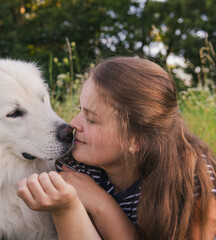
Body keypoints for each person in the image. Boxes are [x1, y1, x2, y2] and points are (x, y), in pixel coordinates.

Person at [17, 56, 216, 240]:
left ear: (136, 141)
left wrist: (101, 204)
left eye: (92, 120)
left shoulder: (192, 181)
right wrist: (67, 207)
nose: (72, 123)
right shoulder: (78, 166)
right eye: (80, 110)